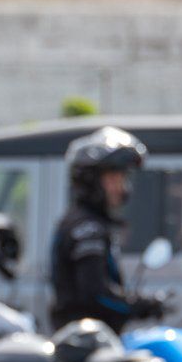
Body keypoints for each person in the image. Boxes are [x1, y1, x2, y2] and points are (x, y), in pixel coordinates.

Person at [49, 125, 151, 330]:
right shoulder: (87, 228)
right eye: (113, 179)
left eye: (123, 179)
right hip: (88, 339)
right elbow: (95, 293)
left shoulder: (87, 222)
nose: (121, 188)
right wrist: (138, 305)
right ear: (90, 180)